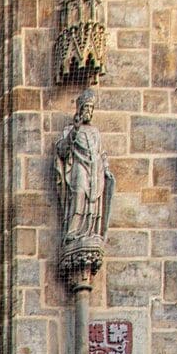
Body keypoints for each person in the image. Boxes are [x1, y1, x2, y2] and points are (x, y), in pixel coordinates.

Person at [54, 90, 113, 247]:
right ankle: (73, 232)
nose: (89, 111)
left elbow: (102, 153)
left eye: (91, 109)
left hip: (96, 170)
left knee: (93, 199)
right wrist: (75, 130)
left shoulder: (95, 132)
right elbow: (62, 149)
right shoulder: (70, 129)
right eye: (86, 108)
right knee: (79, 194)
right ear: (79, 110)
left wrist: (106, 169)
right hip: (79, 168)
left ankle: (91, 231)